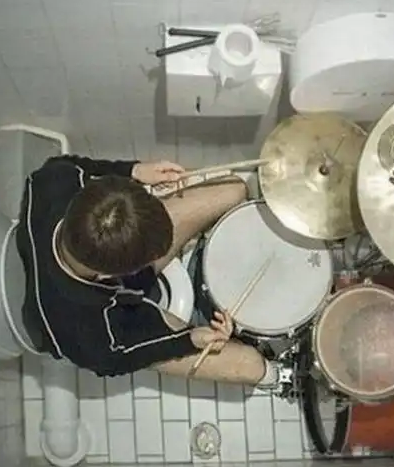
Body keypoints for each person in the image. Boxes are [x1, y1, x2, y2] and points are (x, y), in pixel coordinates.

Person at [16, 154, 280, 389]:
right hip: (118, 320)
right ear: (112, 275)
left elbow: (76, 165)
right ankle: (274, 378)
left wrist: (134, 170)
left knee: (233, 188)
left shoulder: (52, 180)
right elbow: (118, 361)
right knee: (252, 366)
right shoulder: (88, 336)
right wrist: (189, 340)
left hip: (98, 263)